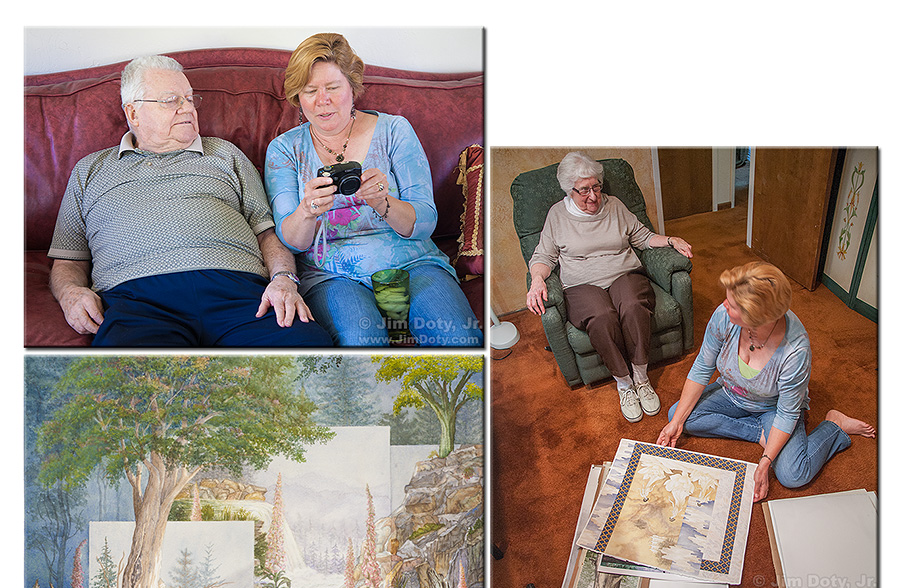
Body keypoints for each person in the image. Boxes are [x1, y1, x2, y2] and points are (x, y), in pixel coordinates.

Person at [48, 55, 332, 348]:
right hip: (139, 304)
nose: (187, 108)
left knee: (309, 350)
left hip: (242, 296)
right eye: (171, 100)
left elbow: (267, 233)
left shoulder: (225, 154)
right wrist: (71, 293)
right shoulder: (90, 170)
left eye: (188, 99)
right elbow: (67, 259)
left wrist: (284, 279)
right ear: (133, 113)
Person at [264, 32, 483, 347]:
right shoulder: (284, 149)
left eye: (333, 88)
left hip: (413, 262)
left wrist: (384, 203)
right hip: (332, 275)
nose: (321, 101)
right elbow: (292, 242)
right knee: (360, 342)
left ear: (353, 87)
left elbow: (425, 221)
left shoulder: (395, 131)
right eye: (309, 90)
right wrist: (307, 209)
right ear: (298, 96)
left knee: (458, 339)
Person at [656, 261, 875, 502]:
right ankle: (758, 433)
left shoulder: (795, 351)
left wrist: (766, 460)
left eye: (733, 305)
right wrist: (676, 423)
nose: (724, 305)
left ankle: (835, 425)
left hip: (774, 408)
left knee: (794, 474)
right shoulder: (723, 316)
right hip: (731, 392)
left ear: (758, 317)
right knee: (678, 415)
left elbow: (787, 413)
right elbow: (702, 367)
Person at [526, 151, 693, 422]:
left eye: (596, 187)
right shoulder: (557, 215)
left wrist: (671, 239)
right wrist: (536, 280)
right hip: (581, 284)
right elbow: (544, 256)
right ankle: (624, 383)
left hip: (624, 273)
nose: (593, 196)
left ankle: (641, 377)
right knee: (602, 316)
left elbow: (642, 237)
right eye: (584, 191)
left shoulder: (614, 205)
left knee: (633, 305)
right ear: (569, 191)